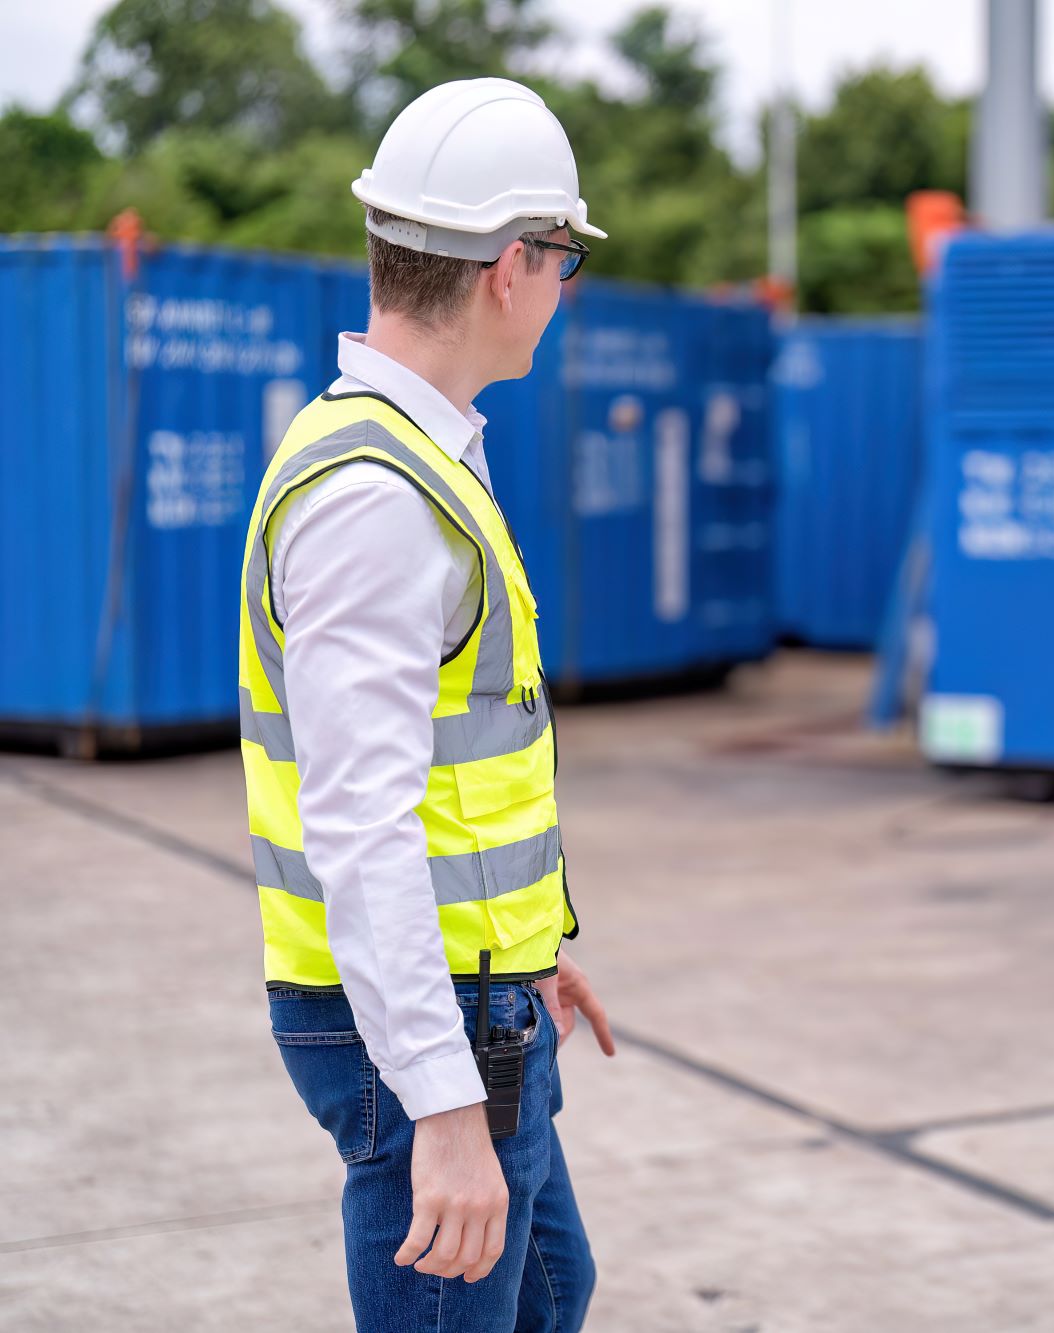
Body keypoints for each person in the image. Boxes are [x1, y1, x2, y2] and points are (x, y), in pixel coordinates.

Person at [238, 78, 616, 1331]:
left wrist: (532, 947)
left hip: (482, 992)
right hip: (426, 1032)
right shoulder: (376, 500)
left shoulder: (416, 456)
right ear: (514, 265)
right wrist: (443, 1113)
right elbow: (359, 823)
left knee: (552, 1293)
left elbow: (465, 767)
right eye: (564, 259)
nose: (563, 291)